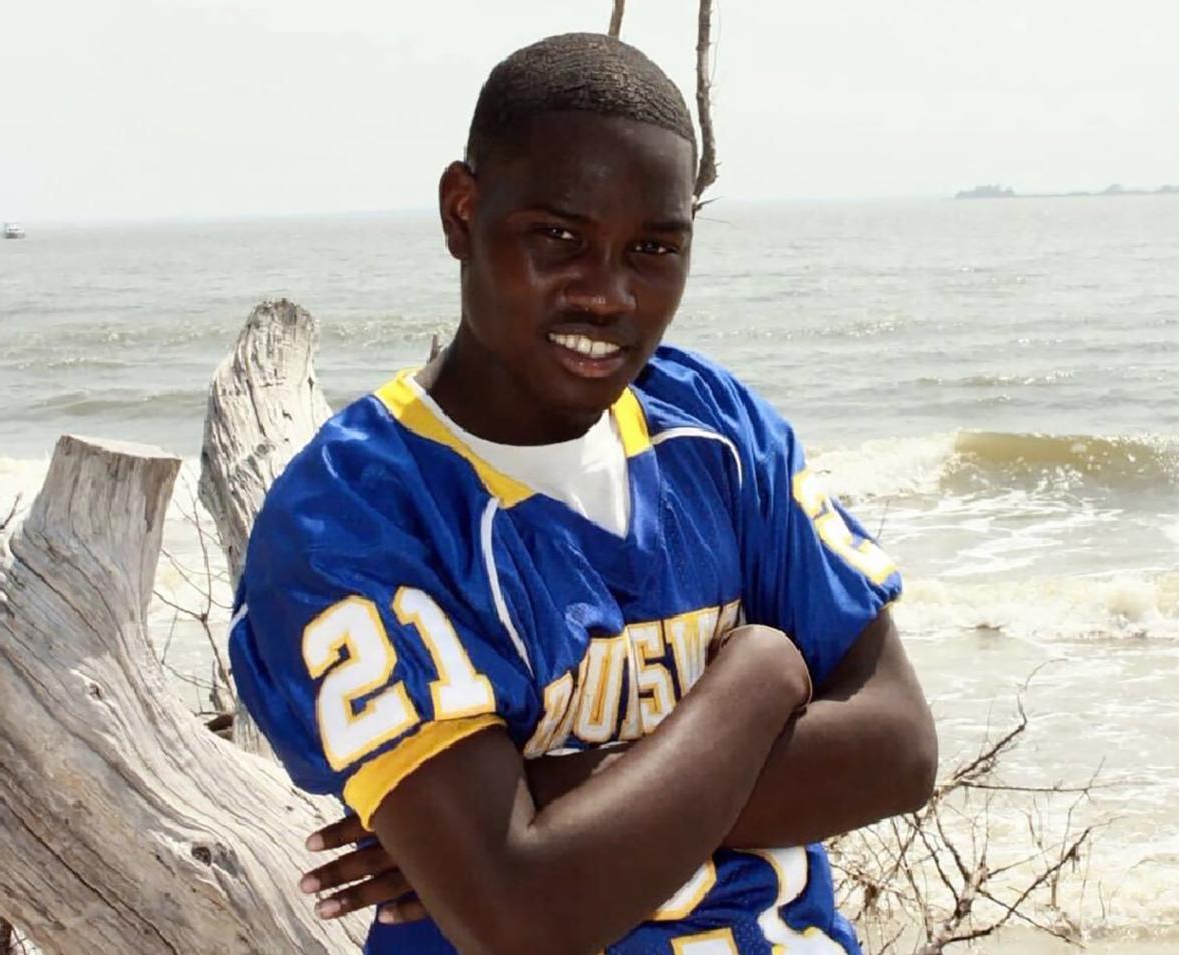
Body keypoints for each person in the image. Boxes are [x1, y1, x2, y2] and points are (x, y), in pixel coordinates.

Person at [230, 32, 938, 955]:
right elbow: (525, 916)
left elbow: (899, 747)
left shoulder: (715, 429)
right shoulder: (354, 514)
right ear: (462, 211)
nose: (608, 294)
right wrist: (761, 670)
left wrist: (546, 796)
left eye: (652, 248)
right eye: (558, 236)